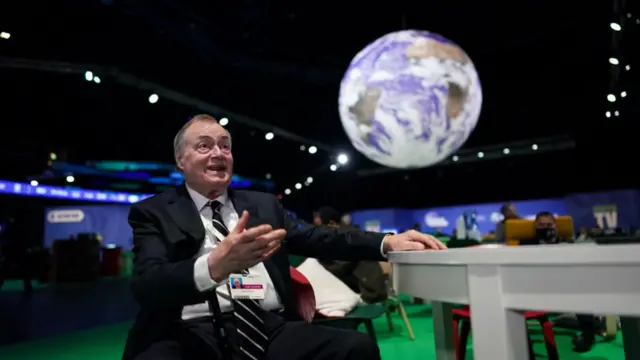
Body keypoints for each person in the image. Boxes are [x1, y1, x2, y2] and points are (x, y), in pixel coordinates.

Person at [123, 114, 447, 360]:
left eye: (225, 145)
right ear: (181, 159)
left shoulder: (262, 205)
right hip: (190, 332)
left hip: (267, 327)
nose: (219, 153)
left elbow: (320, 237)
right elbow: (148, 284)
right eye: (204, 145)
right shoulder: (153, 212)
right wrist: (213, 267)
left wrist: (385, 242)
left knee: (356, 348)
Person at [314, 207, 387, 304]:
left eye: (319, 227)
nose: (317, 231)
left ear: (331, 224)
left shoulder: (348, 236)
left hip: (369, 293)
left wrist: (318, 263)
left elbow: (341, 267)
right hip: (365, 287)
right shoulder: (345, 233)